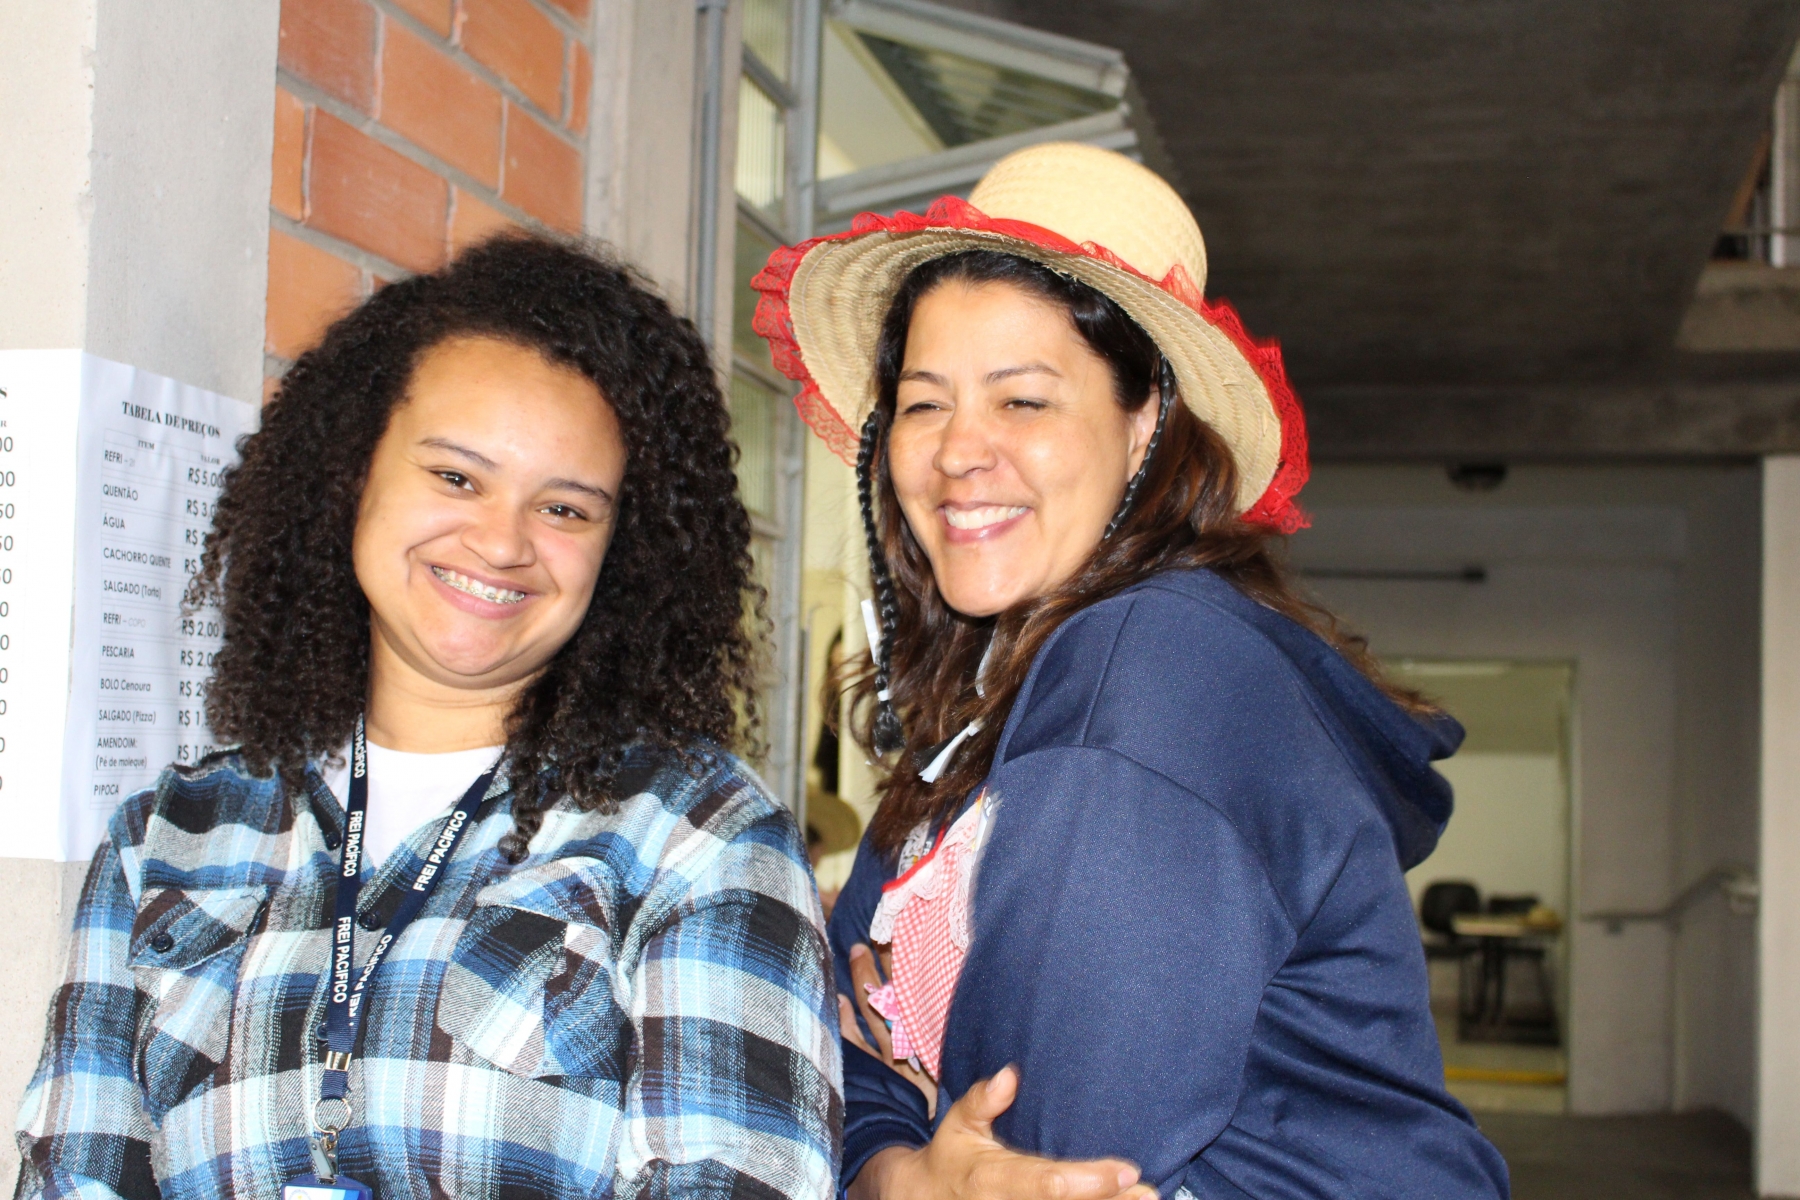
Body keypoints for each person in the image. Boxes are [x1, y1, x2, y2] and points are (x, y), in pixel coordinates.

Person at [753, 143, 1510, 1198]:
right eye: (924, 403)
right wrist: (902, 1167)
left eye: (1023, 401)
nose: (959, 450)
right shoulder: (983, 713)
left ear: (1145, 421)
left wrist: (908, 1132)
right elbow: (821, 1057)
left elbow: (1050, 1163)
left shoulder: (1152, 668)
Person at [16, 234, 840, 1199]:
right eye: (456, 477)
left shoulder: (697, 837)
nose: (501, 541)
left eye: (565, 510)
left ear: (622, 551)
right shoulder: (168, 836)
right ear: (352, 474)